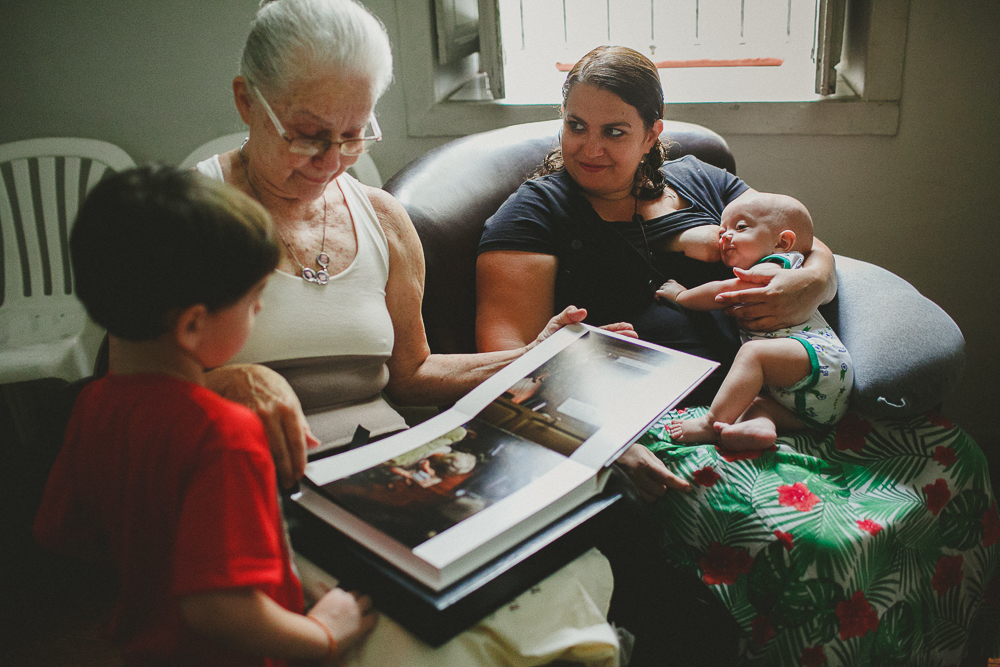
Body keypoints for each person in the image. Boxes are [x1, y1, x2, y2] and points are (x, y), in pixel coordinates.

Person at [158, 1, 625, 664]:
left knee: (549, 582)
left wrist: (535, 358)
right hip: (262, 497)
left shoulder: (383, 220)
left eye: (353, 136)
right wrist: (230, 380)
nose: (331, 160)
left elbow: (411, 374)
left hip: (402, 480)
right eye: (308, 133)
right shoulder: (185, 215)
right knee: (425, 643)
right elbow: (128, 387)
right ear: (245, 100)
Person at [475, 44, 838, 666]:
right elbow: (506, 359)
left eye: (615, 131)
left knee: (952, 466)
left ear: (653, 135)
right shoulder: (537, 213)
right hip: (659, 429)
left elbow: (796, 240)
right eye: (576, 126)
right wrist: (604, 443)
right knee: (812, 545)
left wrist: (816, 277)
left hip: (778, 402)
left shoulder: (702, 180)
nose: (590, 148)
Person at [33, 166, 376, 666]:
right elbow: (219, 611)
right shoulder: (225, 433)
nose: (258, 311)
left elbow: (62, 532)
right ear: (193, 325)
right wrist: (323, 634)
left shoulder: (93, 405)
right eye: (255, 300)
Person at [655, 191, 853, 450]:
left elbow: (722, 292)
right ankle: (762, 427)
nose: (725, 235)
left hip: (817, 357)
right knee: (751, 401)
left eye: (740, 227)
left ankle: (710, 423)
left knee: (753, 355)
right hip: (810, 403)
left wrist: (681, 296)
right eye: (722, 229)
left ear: (782, 243)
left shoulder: (776, 264)